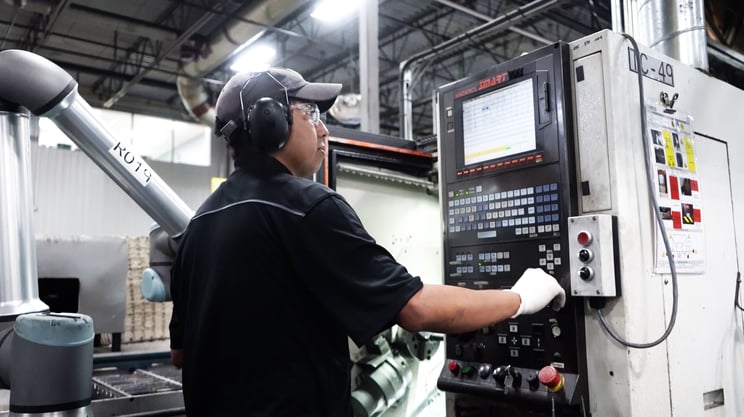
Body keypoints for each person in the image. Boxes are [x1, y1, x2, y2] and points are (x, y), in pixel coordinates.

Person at [168, 67, 566, 416]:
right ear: (271, 122)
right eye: (311, 114)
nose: (323, 129)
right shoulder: (309, 208)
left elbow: (181, 354)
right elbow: (416, 309)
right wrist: (520, 299)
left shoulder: (198, 225)